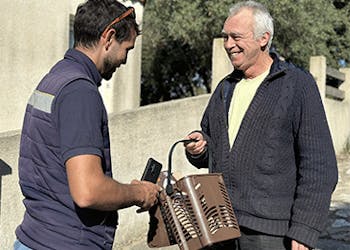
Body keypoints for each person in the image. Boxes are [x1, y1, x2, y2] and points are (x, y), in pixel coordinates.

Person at [184, 1, 338, 250]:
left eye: (236, 37)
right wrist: (200, 148)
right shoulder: (225, 88)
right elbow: (214, 147)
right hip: (220, 226)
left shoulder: (298, 85)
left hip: (270, 234)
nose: (228, 44)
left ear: (263, 39)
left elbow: (319, 166)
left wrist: (305, 228)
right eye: (225, 37)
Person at [14, 1, 161, 249]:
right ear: (109, 37)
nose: (124, 60)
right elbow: (88, 191)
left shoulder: (55, 77)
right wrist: (140, 193)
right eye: (127, 49)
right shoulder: (80, 92)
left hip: (36, 237)